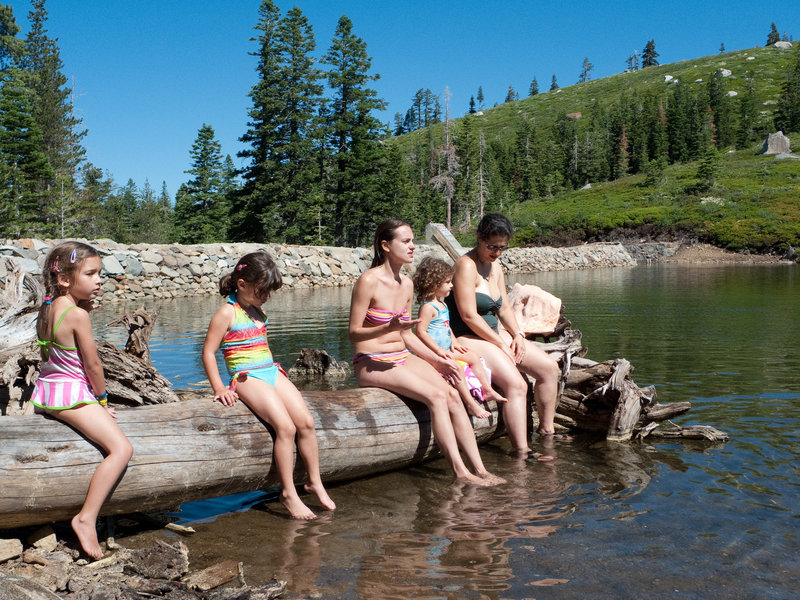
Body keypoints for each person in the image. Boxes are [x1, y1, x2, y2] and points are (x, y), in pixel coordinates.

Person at [349, 219, 505, 486]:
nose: (413, 246)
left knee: (454, 394)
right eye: (406, 241)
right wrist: (388, 327)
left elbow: (407, 334)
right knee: (436, 396)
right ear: (386, 245)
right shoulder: (368, 281)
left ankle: (480, 469)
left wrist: (437, 361)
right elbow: (353, 333)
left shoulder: (407, 284)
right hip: (371, 361)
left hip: (402, 357)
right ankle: (461, 473)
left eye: (412, 241)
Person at [202, 251, 336, 519]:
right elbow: (208, 352)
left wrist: (277, 377)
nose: (267, 297)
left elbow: (261, 345)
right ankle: (288, 492)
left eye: (269, 292)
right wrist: (219, 388)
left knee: (306, 422)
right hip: (247, 377)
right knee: (284, 427)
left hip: (271, 372)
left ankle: (314, 482)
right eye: (262, 291)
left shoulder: (258, 310)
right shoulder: (227, 313)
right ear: (242, 284)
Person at [30, 241, 134, 559]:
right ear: (65, 279)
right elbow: (92, 366)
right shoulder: (77, 315)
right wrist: (101, 400)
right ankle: (86, 517)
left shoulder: (49, 305)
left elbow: (57, 350)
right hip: (70, 396)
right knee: (122, 449)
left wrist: (83, 309)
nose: (99, 280)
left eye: (99, 273)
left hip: (46, 391)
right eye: (90, 273)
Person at [446, 213, 560, 456]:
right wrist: (500, 343)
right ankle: (522, 451)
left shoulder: (495, 266)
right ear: (479, 238)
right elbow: (468, 315)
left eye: (502, 247)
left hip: (492, 334)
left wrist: (517, 333)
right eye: (492, 247)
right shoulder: (466, 266)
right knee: (517, 385)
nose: (497, 252)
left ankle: (547, 432)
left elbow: (504, 307)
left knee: (550, 370)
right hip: (465, 337)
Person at [412, 256, 507, 419]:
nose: (452, 285)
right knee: (456, 369)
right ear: (434, 284)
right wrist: (438, 351)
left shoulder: (443, 304)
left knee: (473, 357)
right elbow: (420, 332)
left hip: (447, 349)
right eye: (448, 282)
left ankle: (487, 390)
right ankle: (471, 405)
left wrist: (454, 341)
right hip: (434, 353)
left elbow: (446, 326)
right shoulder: (428, 308)